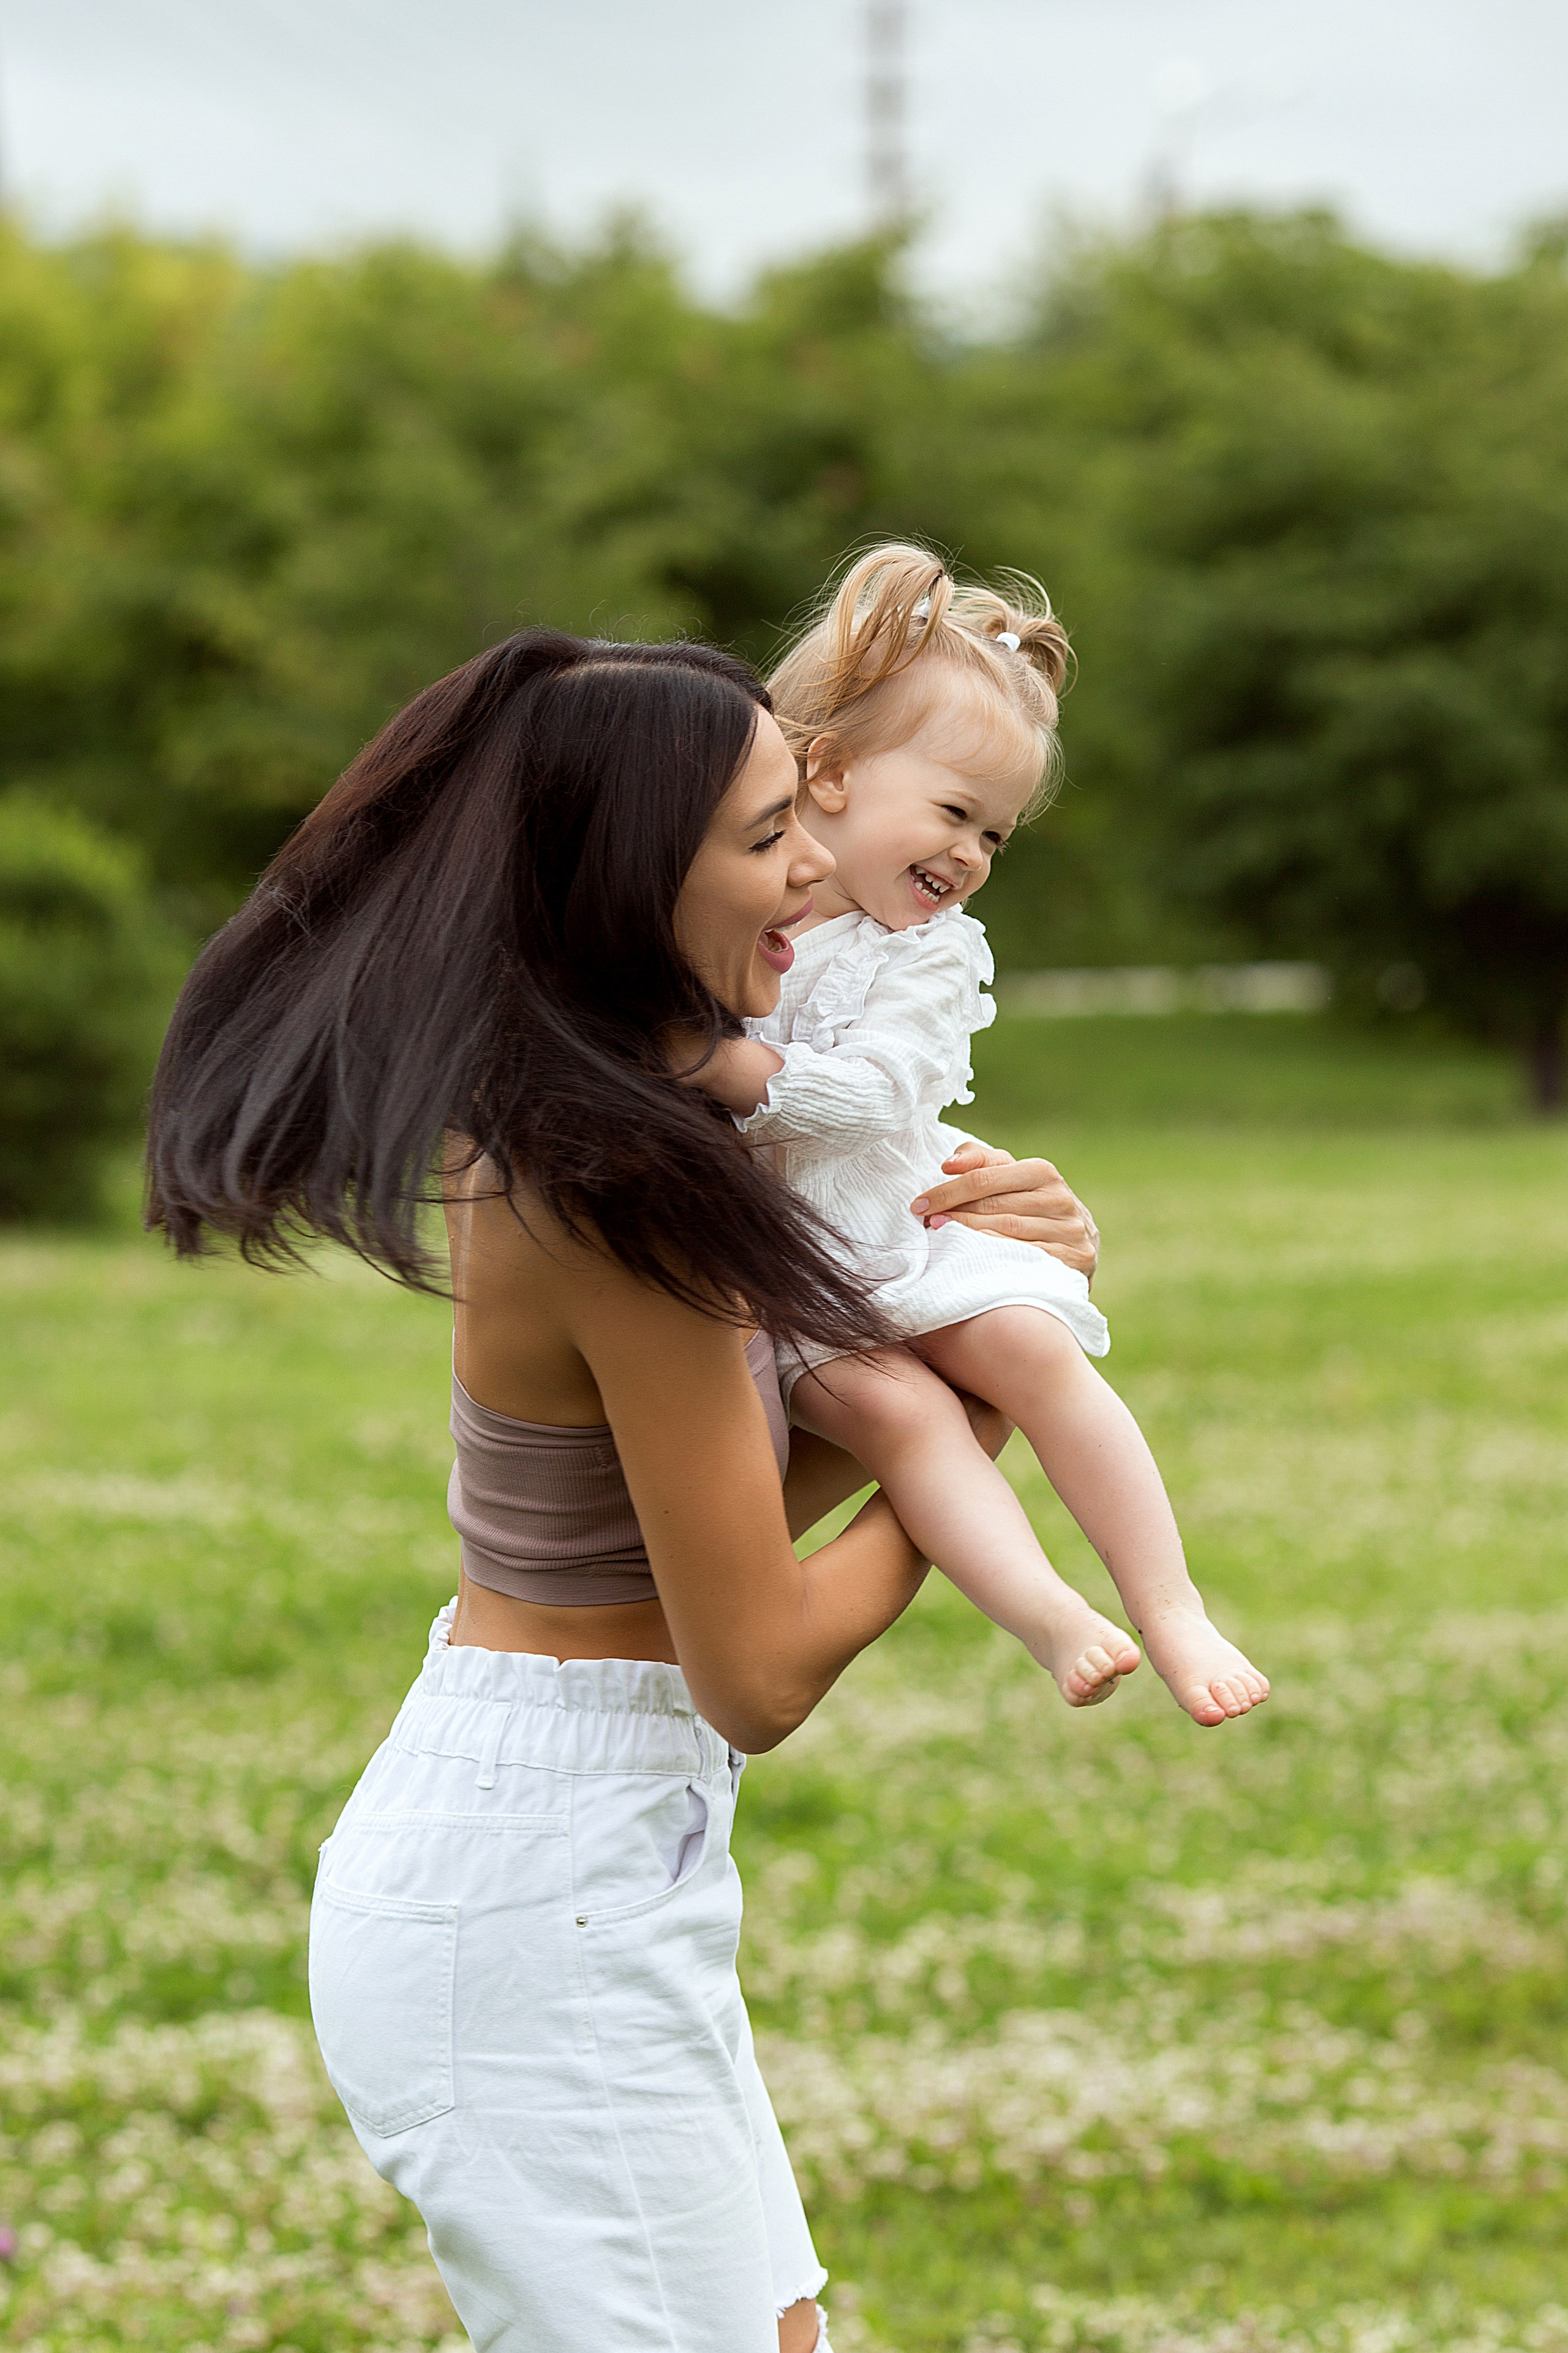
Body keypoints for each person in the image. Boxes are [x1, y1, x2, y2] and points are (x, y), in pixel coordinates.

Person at [144, 627, 1102, 2353]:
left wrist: (980, 1318)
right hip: (535, 1890)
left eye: (803, 809)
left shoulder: (631, 1130)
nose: (817, 862)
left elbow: (717, 1499)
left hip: (584, 1852)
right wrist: (986, 1427)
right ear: (627, 876)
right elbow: (754, 1664)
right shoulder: (611, 1186)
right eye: (761, 836)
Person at [685, 547, 1269, 1729]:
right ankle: (1049, 1614)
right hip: (786, 1277)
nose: (972, 856)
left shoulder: (930, 952)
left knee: (1039, 1352)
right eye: (956, 813)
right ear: (832, 773)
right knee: (907, 1421)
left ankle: (1173, 1607)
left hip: (899, 1229)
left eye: (996, 835)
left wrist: (717, 1063)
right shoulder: (726, 913)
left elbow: (872, 1095)